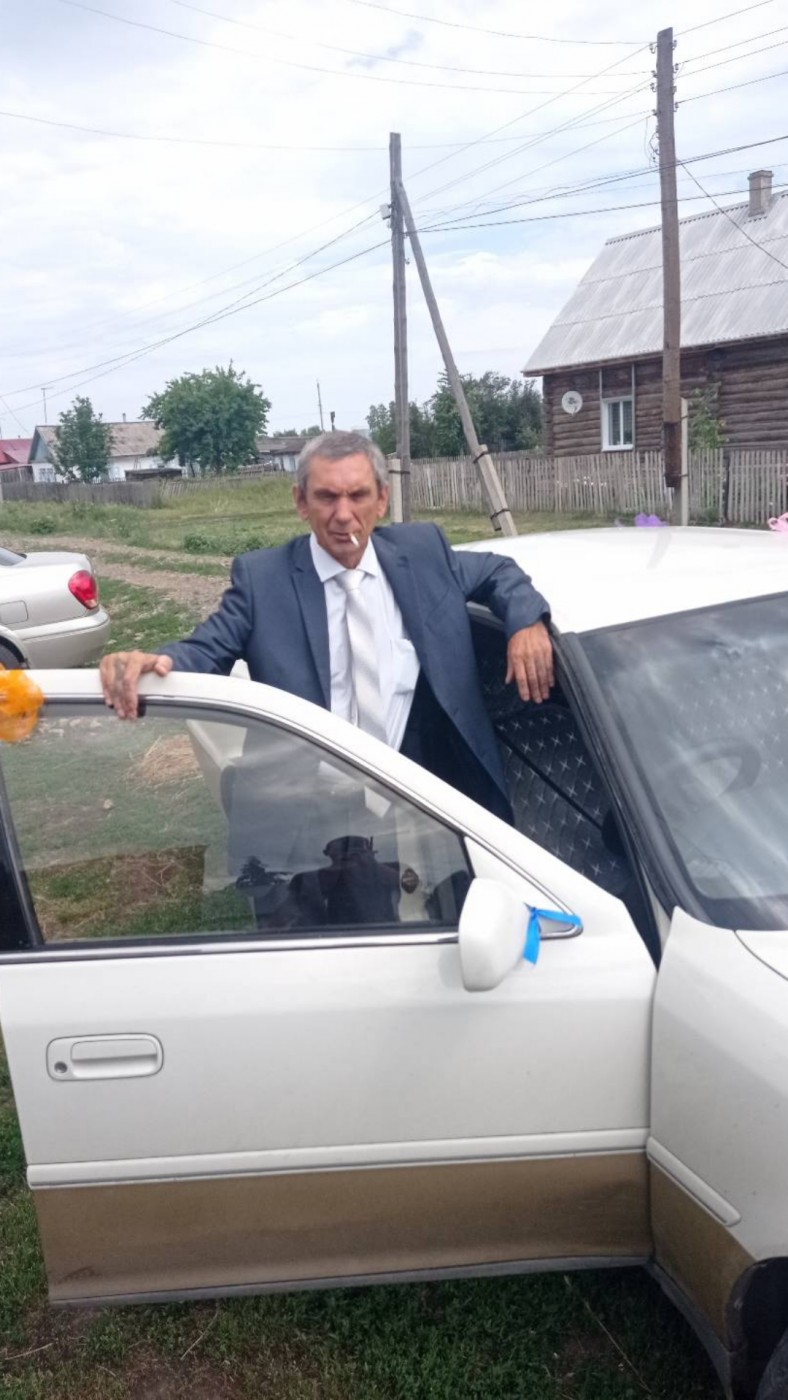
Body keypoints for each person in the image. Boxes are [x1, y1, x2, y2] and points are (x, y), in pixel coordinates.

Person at [99, 430, 553, 823]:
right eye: (327, 497)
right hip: (309, 814)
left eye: (357, 496)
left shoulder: (423, 552)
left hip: (424, 803)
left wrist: (526, 621)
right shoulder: (264, 580)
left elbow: (498, 571)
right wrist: (152, 662)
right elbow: (205, 650)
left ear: (381, 499)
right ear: (301, 502)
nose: (343, 514)